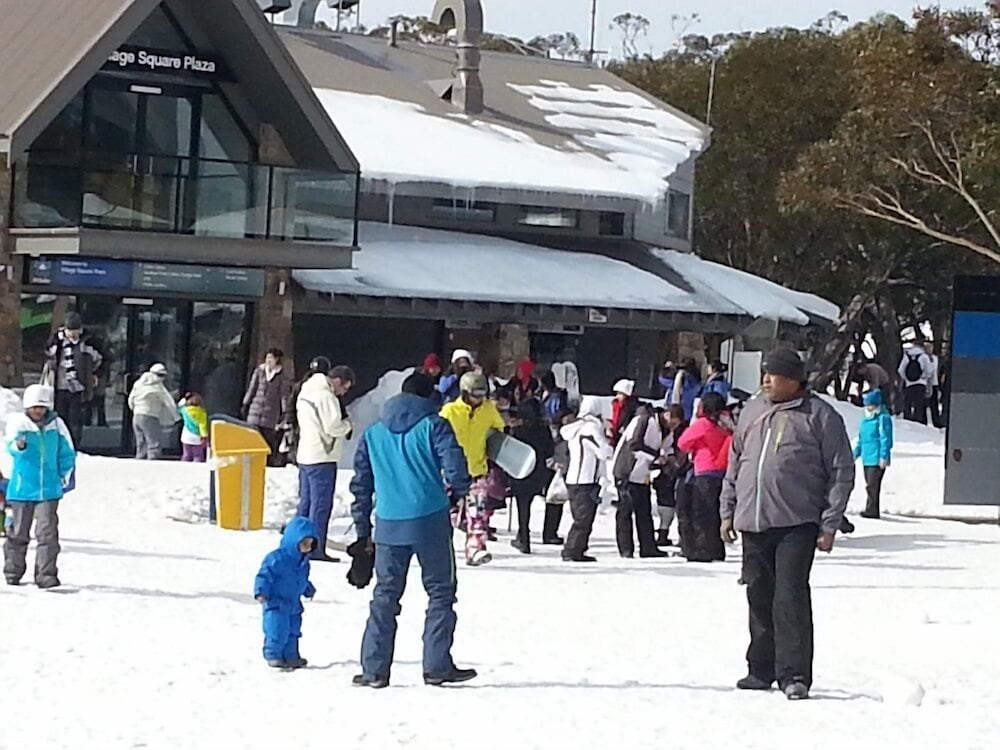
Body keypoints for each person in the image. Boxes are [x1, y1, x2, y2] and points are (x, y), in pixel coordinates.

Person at [721, 349, 854, 701]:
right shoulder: (752, 411)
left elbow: (841, 470)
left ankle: (794, 674)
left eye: (774, 374)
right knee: (758, 594)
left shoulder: (819, 415)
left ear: (795, 379)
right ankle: (760, 668)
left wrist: (830, 523)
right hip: (753, 520)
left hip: (797, 521)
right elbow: (735, 463)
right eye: (764, 373)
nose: (766, 380)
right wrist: (727, 510)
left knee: (789, 597)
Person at [349, 372, 475, 688]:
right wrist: (458, 492)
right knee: (441, 592)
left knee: (385, 596)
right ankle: (436, 666)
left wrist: (363, 531)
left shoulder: (373, 432)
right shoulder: (434, 425)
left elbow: (361, 484)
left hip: (388, 525)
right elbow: (456, 468)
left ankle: (374, 669)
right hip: (430, 520)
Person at [3, 385, 76, 589]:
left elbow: (67, 452)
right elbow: (9, 446)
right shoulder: (19, 423)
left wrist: (62, 475)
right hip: (22, 489)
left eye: (42, 407)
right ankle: (13, 570)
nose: (38, 411)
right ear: (27, 406)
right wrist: (19, 447)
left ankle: (46, 574)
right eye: (34, 407)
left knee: (47, 533)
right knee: (18, 532)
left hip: (48, 489)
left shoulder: (57, 425)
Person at [440, 372, 506, 566]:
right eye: (475, 394)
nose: (479, 399)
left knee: (478, 514)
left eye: (482, 394)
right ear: (464, 392)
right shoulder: (450, 411)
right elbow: (436, 436)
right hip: (450, 471)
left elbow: (498, 432)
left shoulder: (488, 410)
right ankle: (441, 550)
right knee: (443, 513)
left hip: (477, 470)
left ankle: (475, 549)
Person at [295, 361, 354, 562]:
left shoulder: (306, 390)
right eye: (344, 388)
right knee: (321, 505)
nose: (343, 393)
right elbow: (333, 427)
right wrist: (347, 425)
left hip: (305, 453)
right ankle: (315, 548)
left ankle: (297, 543)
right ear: (337, 381)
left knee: (305, 503)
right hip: (323, 456)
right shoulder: (327, 397)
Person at [253, 517, 319, 669]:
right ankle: (273, 655)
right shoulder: (276, 559)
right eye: (304, 543)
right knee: (277, 631)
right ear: (293, 540)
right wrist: (261, 591)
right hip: (276, 603)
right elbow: (264, 575)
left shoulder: (303, 563)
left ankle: (291, 656)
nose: (307, 548)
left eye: (310, 544)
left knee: (293, 632)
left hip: (294, 604)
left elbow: (301, 579)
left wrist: (308, 589)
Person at [677, 392, 732, 563]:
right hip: (722, 471)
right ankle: (717, 548)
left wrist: (696, 446)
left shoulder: (703, 424)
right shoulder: (725, 423)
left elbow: (682, 442)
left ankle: (703, 549)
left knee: (701, 512)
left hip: (704, 469)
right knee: (715, 512)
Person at [612, 403, 669, 558]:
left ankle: (648, 547)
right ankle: (626, 548)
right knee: (625, 511)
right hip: (627, 471)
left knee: (644, 512)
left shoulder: (660, 427)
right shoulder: (644, 420)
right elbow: (634, 445)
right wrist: (655, 456)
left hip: (642, 474)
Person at [560, 397, 612, 563]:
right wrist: (609, 442)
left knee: (580, 517)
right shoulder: (590, 428)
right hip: (586, 478)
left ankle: (577, 548)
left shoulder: (575, 428)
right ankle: (572, 550)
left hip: (574, 477)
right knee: (584, 518)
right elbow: (603, 451)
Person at [44, 312, 103, 447]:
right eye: (70, 331)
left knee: (75, 420)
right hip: (60, 387)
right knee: (60, 419)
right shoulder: (57, 341)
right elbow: (48, 354)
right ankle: (60, 445)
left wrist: (95, 374)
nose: (73, 335)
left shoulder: (89, 342)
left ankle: (73, 447)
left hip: (79, 388)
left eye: (76, 331)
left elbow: (104, 358)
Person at [509, 398, 555, 554]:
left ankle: (524, 538)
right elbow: (550, 451)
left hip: (521, 471)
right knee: (535, 502)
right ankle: (545, 532)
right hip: (539, 472)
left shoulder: (518, 431)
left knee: (523, 506)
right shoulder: (544, 430)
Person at [242, 348, 293, 466]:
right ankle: (252, 462)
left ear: (277, 360)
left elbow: (284, 396)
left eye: (271, 358)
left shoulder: (282, 376)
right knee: (253, 437)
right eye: (267, 358)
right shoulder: (259, 372)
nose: (268, 360)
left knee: (267, 439)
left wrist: (284, 411)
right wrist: (246, 403)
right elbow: (252, 388)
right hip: (255, 410)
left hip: (270, 413)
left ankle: (266, 462)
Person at [854, 390, 893, 519]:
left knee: (872, 485)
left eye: (870, 404)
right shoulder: (865, 420)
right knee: (869, 485)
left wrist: (884, 456)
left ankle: (872, 510)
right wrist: (855, 454)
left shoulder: (883, 418)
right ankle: (870, 508)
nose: (868, 407)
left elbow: (885, 438)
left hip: (876, 457)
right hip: (867, 457)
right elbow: (861, 439)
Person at [128, 363, 180, 460]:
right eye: (162, 376)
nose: (163, 378)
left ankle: (139, 461)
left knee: (141, 442)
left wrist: (135, 409)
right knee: (154, 443)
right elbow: (169, 403)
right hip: (150, 416)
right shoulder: (158, 387)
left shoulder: (138, 384)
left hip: (137, 415)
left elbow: (131, 399)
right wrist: (177, 417)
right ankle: (153, 462)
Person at [652, 405, 688, 547]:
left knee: (668, 502)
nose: (673, 426)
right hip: (671, 470)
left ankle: (664, 532)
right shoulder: (655, 425)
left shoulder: (666, 429)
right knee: (671, 502)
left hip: (670, 470)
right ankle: (665, 533)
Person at [897, 340, 934, 425]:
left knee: (908, 403)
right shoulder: (924, 356)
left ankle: (907, 420)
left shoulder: (907, 355)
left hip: (909, 384)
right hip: (921, 383)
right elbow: (929, 371)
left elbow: (900, 370)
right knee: (919, 404)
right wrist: (924, 377)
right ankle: (918, 422)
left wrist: (907, 378)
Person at [608, 379, 638, 446]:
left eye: (620, 394)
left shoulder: (631, 408)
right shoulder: (616, 405)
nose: (617, 396)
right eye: (617, 393)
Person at [672, 357, 702, 422]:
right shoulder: (697, 383)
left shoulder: (682, 376)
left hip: (682, 411)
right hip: (689, 413)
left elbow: (675, 393)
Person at [923, 342, 944, 428]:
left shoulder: (935, 358)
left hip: (934, 382)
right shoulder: (923, 358)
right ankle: (923, 419)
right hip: (925, 382)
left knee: (934, 403)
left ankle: (936, 420)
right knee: (924, 402)